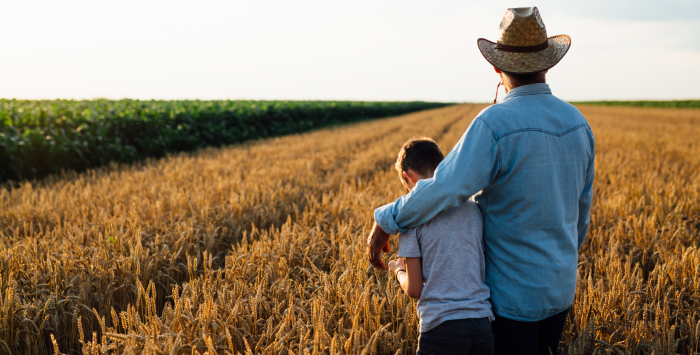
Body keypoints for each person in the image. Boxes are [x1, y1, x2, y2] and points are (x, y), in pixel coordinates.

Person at [366, 7, 594, 355]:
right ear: (548, 64)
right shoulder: (579, 124)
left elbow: (445, 188)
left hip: (510, 299)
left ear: (497, 67)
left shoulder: (494, 124)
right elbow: (581, 219)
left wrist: (387, 220)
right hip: (560, 290)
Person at [387, 137, 494, 355]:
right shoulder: (472, 208)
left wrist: (398, 270)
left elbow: (415, 289)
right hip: (483, 322)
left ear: (408, 177)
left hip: (441, 328)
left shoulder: (410, 219)